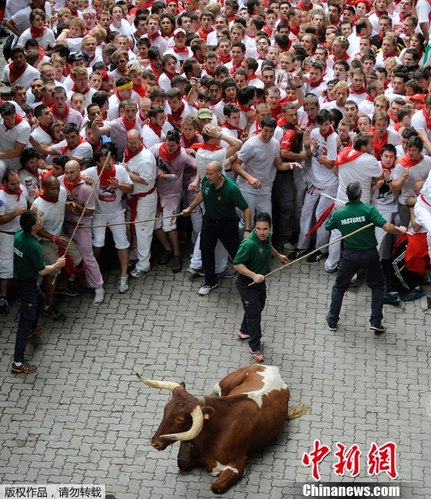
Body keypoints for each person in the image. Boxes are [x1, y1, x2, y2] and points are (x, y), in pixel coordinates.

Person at [325, 182, 407, 334]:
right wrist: (400, 230)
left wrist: (341, 215)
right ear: (360, 195)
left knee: (339, 287)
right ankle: (376, 321)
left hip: (350, 255)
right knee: (377, 286)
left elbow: (328, 227)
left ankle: (332, 320)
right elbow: (387, 227)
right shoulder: (369, 210)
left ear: (347, 195)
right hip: (370, 255)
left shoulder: (340, 213)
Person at [181, 161, 252, 296]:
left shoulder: (232, 189)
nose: (207, 176)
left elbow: (246, 208)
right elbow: (202, 194)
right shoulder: (206, 182)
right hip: (209, 222)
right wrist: (190, 208)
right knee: (206, 251)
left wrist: (247, 229)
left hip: (227, 224)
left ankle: (247, 277)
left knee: (236, 252)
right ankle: (210, 281)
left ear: (220, 173)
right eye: (206, 173)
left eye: (210, 174)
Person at [11, 210, 65, 374]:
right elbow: (42, 271)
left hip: (20, 280)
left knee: (40, 300)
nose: (41, 220)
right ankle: (18, 362)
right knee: (23, 323)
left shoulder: (19, 235)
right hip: (27, 283)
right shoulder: (33, 246)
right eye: (38, 219)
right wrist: (57, 264)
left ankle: (33, 328)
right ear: (34, 227)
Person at [233, 212, 288, 363]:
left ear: (270, 228)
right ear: (254, 228)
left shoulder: (267, 237)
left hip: (259, 281)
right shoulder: (249, 244)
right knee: (255, 315)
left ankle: (243, 330)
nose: (262, 232)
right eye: (258, 229)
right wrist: (253, 275)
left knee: (257, 307)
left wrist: (279, 256)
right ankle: (255, 347)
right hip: (247, 283)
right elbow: (237, 264)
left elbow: (269, 246)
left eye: (265, 229)